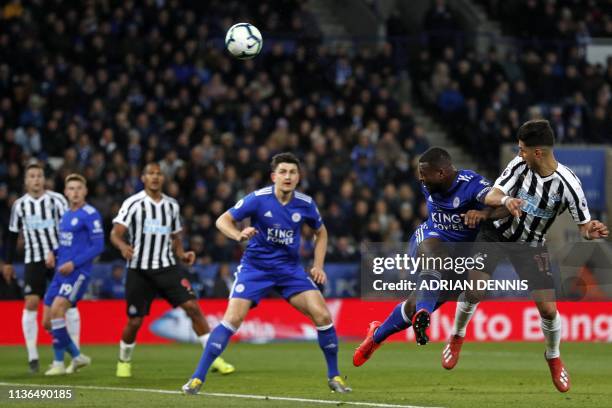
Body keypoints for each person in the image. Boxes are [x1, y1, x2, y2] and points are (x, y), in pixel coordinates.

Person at [444, 119, 609, 392]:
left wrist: (591, 230)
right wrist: (506, 201)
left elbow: (584, 226)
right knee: (474, 291)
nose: (519, 154)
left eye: (523, 149)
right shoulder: (519, 166)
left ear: (538, 152)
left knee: (548, 309)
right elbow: (494, 194)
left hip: (531, 244)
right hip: (495, 233)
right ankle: (457, 335)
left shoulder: (569, 184)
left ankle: (553, 356)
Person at [182, 152, 351, 395]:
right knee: (232, 319)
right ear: (273, 176)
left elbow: (321, 232)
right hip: (255, 269)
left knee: (323, 316)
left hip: (290, 270)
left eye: (292, 172)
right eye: (282, 172)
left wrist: (318, 265)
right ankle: (197, 378)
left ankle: (335, 376)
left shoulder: (305, 204)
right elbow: (223, 220)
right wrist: (237, 235)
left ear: (298, 177)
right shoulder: (257, 199)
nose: (288, 176)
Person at [353, 147, 495, 366]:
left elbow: (495, 199)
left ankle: (377, 335)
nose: (420, 179)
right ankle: (424, 312)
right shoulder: (429, 183)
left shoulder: (472, 185)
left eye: (424, 174)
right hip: (431, 236)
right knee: (433, 255)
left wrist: (491, 209)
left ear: (441, 173)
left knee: (410, 308)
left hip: (460, 256)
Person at [110, 162, 234, 378]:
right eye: (151, 174)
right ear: (143, 178)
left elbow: (175, 236)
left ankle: (213, 358)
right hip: (140, 270)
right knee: (135, 321)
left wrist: (182, 254)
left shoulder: (172, 206)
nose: (155, 177)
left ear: (163, 178)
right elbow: (115, 233)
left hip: (167, 267)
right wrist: (122, 247)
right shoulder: (133, 203)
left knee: (193, 308)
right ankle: (124, 360)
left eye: (159, 174)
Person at [3, 163, 81, 373]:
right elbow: (11, 236)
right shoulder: (19, 205)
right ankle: (33, 357)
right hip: (33, 259)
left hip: (60, 259)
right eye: (32, 176)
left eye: (39, 175)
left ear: (44, 179)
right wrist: (7, 262)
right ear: (26, 181)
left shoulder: (56, 200)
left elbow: (70, 227)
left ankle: (75, 357)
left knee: (68, 303)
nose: (36, 179)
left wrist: (67, 253)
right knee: (31, 302)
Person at [43, 173, 104, 375]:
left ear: (85, 191)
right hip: (60, 271)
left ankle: (59, 363)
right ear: (65, 192)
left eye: (79, 188)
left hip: (77, 272)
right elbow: (66, 244)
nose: (75, 192)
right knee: (47, 321)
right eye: (71, 188)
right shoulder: (66, 215)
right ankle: (76, 357)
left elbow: (98, 246)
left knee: (58, 309)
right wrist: (54, 253)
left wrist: (74, 263)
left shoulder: (90, 214)